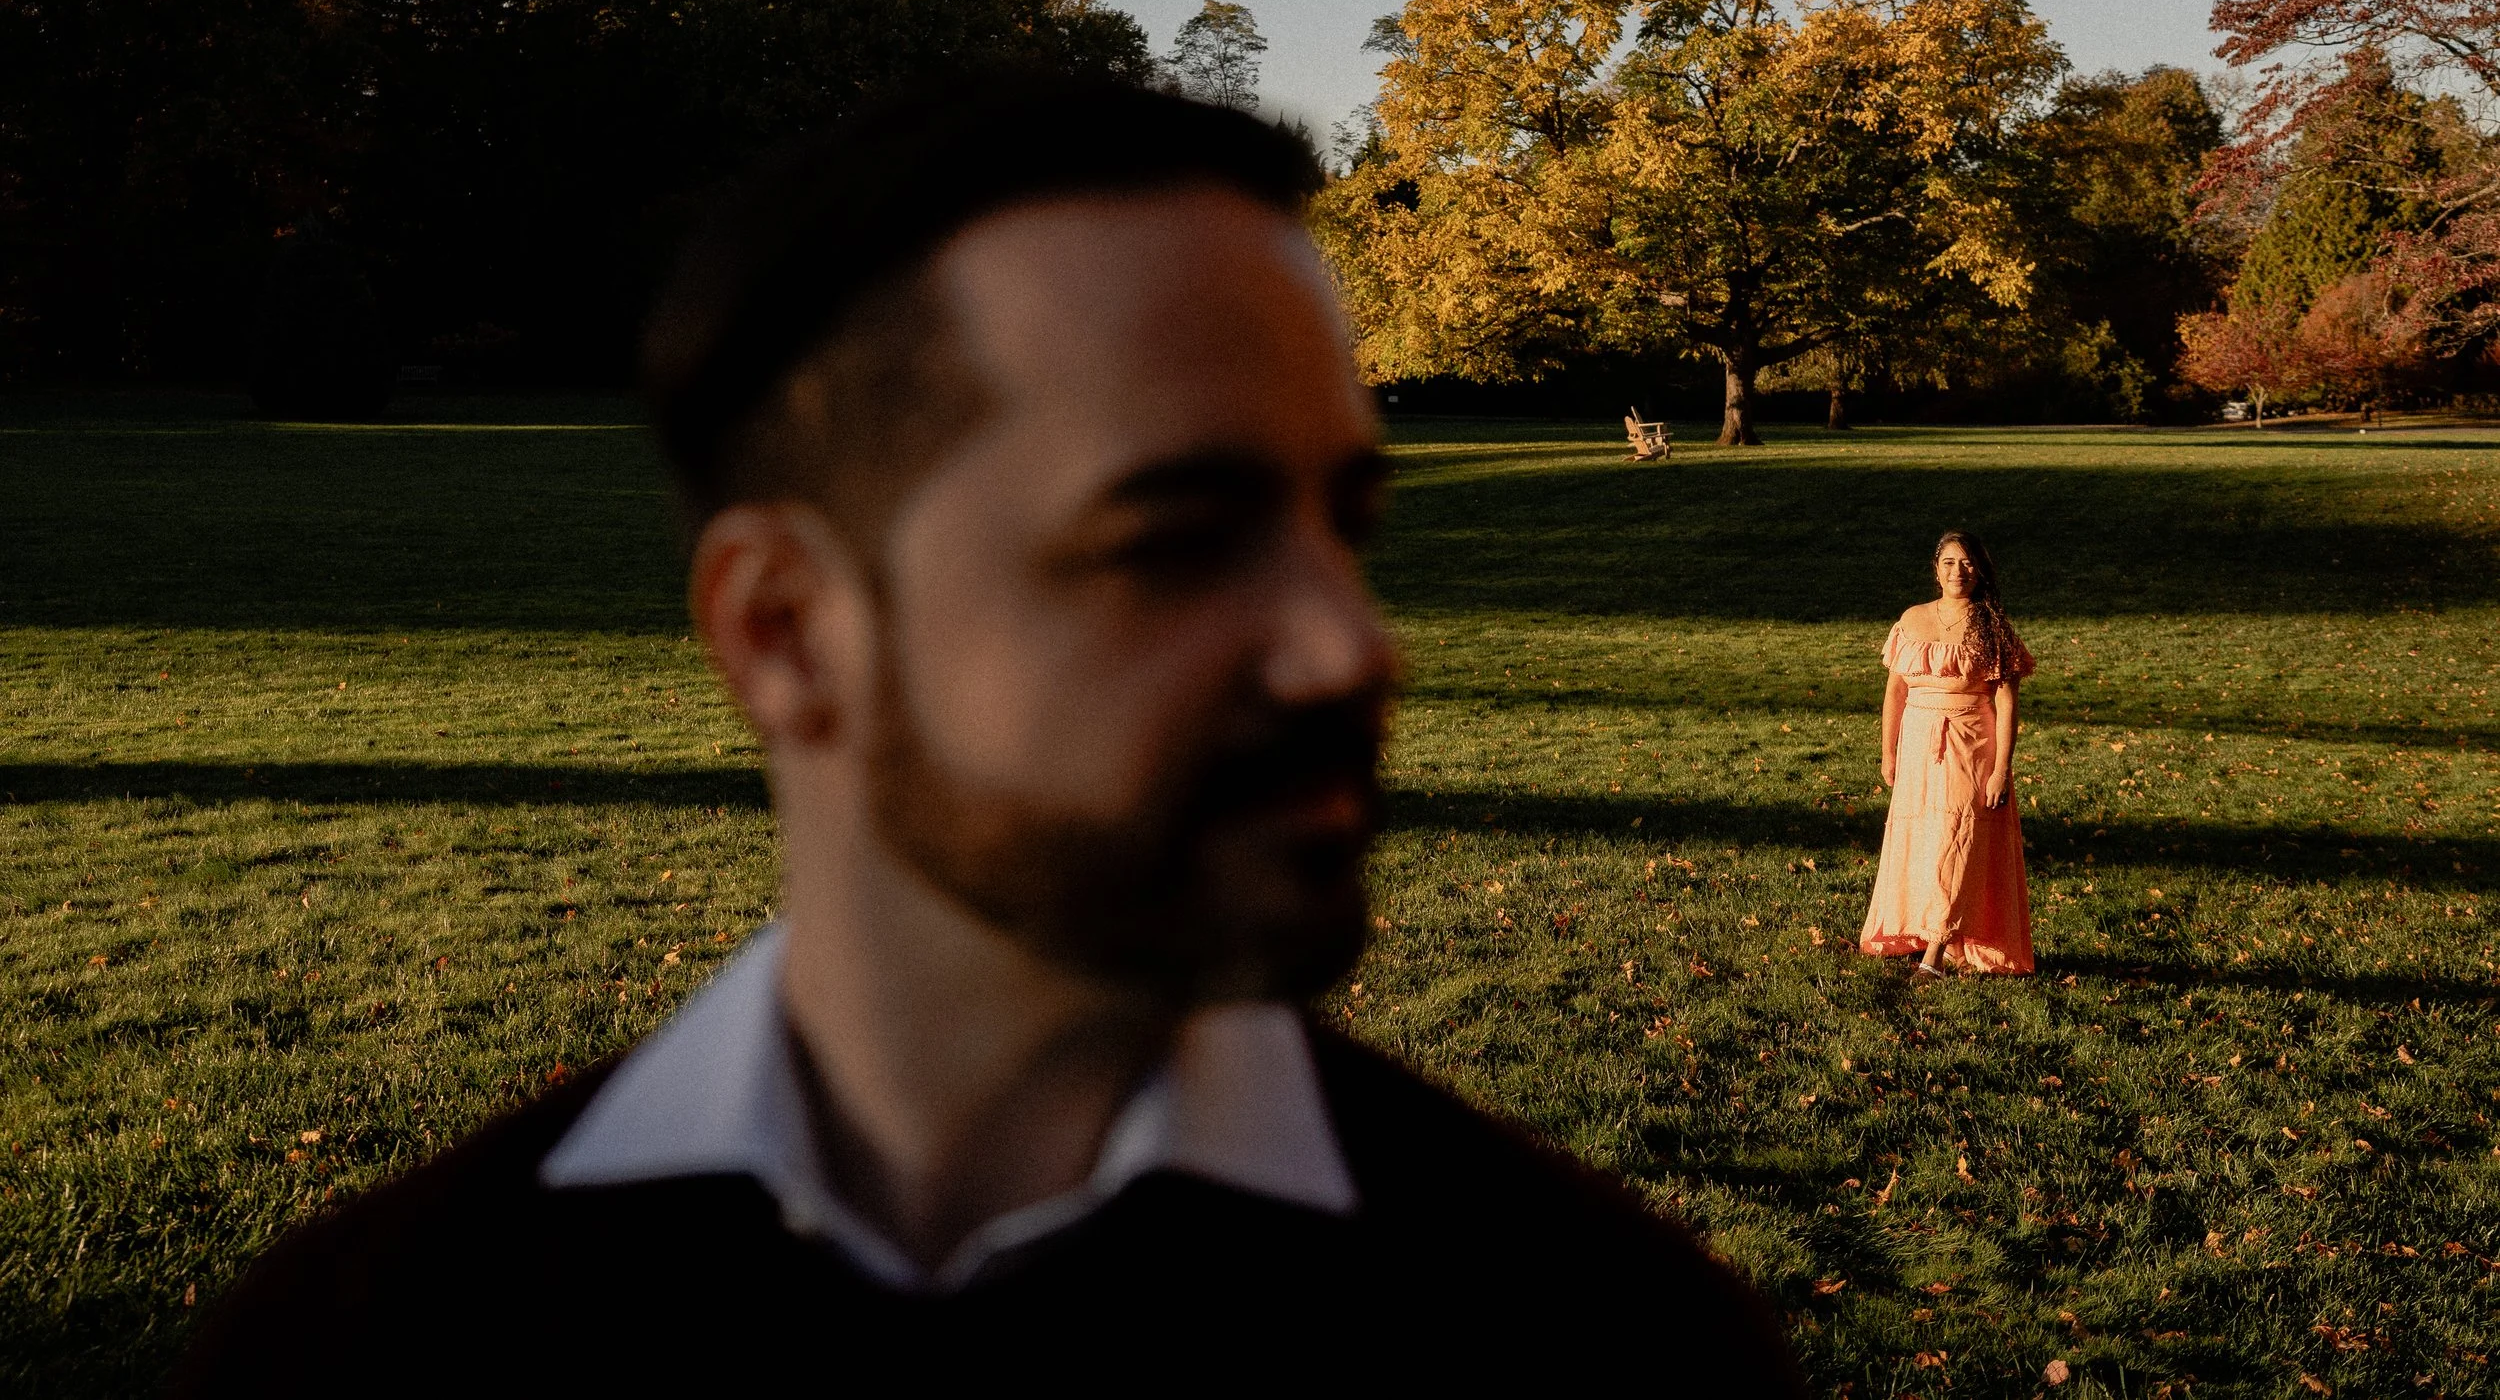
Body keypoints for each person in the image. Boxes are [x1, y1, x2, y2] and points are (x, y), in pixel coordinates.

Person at [174, 79, 1802, 1391]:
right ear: (787, 631)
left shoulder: (1607, 1339)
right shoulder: (361, 1342)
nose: (1350, 648)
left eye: (1346, 526)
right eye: (1170, 539)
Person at [1858, 530, 2036, 979]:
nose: (1959, 572)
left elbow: (2007, 702)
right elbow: (1896, 689)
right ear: (1936, 568)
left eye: (1968, 564)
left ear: (1981, 571)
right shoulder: (1912, 619)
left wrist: (2001, 769)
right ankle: (1934, 931)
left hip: (1972, 743)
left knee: (1956, 837)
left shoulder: (1992, 625)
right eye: (1950, 563)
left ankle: (1935, 955)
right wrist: (1888, 751)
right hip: (1918, 742)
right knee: (1923, 839)